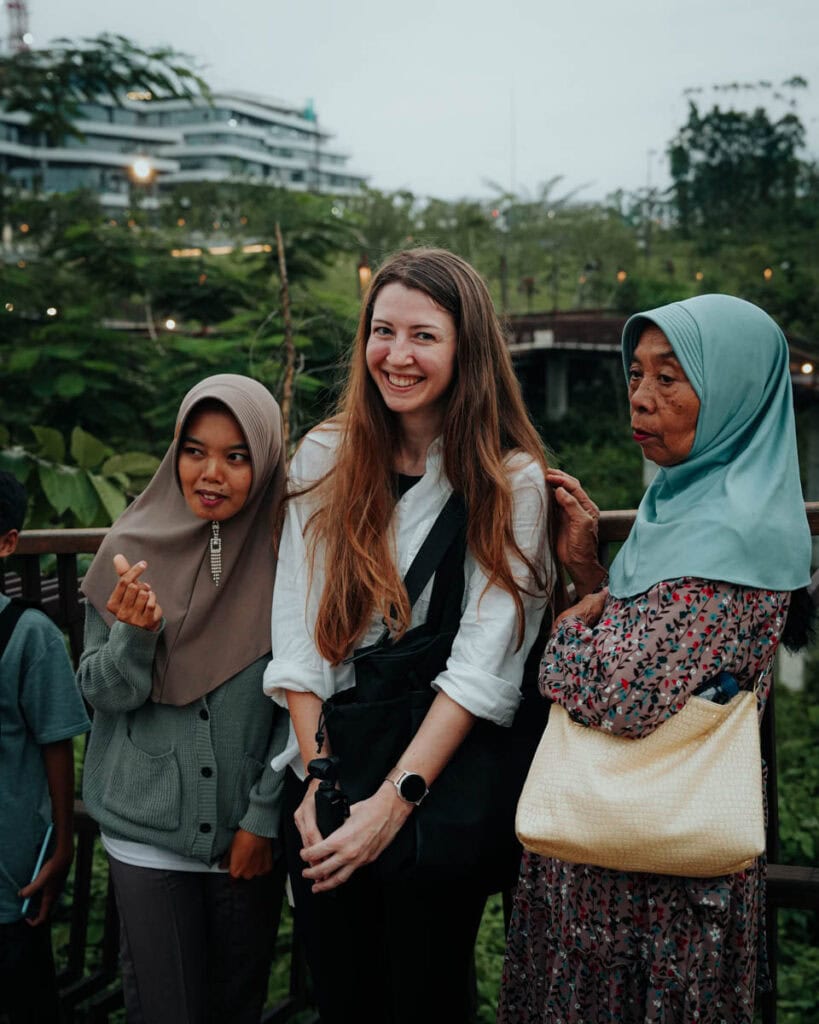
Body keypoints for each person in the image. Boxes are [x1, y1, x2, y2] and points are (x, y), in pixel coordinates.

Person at [497, 293, 814, 1024]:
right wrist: (593, 581)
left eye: (669, 378)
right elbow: (649, 653)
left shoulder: (729, 541)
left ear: (734, 391)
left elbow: (622, 692)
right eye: (634, 374)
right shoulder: (684, 507)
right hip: (616, 851)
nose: (640, 398)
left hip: (655, 894)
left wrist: (568, 633)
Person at [264, 247, 555, 1023]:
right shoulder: (326, 454)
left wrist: (394, 804)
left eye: (423, 336)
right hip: (332, 758)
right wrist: (322, 780)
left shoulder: (508, 478)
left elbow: (483, 666)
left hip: (436, 779)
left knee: (425, 992)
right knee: (341, 992)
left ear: (466, 348)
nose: (396, 355)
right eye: (382, 331)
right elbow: (297, 627)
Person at [77, 374, 289, 1024]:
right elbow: (99, 693)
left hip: (245, 838)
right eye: (195, 450)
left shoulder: (291, 555)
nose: (211, 472)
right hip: (143, 835)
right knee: (166, 1009)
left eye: (236, 455)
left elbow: (301, 700)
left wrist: (262, 816)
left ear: (266, 459)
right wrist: (133, 640)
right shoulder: (128, 550)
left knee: (236, 1006)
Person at [0, 472, 91, 1024]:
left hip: (11, 878)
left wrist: (62, 847)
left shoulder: (28, 635)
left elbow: (58, 747)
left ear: (7, 543)